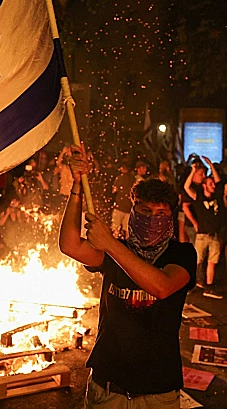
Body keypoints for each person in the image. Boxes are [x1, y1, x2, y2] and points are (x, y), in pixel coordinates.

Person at [58, 144, 196, 408]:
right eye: (145, 212)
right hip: (108, 389)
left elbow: (163, 286)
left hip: (157, 393)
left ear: (170, 217)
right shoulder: (117, 250)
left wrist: (110, 244)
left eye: (161, 214)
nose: (152, 220)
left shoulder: (182, 254)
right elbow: (70, 245)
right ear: (133, 212)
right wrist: (76, 188)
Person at [183, 155, 225, 290]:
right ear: (204, 186)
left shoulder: (216, 195)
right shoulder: (199, 197)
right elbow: (186, 187)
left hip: (214, 234)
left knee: (212, 262)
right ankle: (189, 283)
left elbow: (218, 182)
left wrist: (211, 165)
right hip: (202, 234)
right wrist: (192, 171)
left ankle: (209, 286)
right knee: (197, 261)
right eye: (209, 183)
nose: (213, 185)